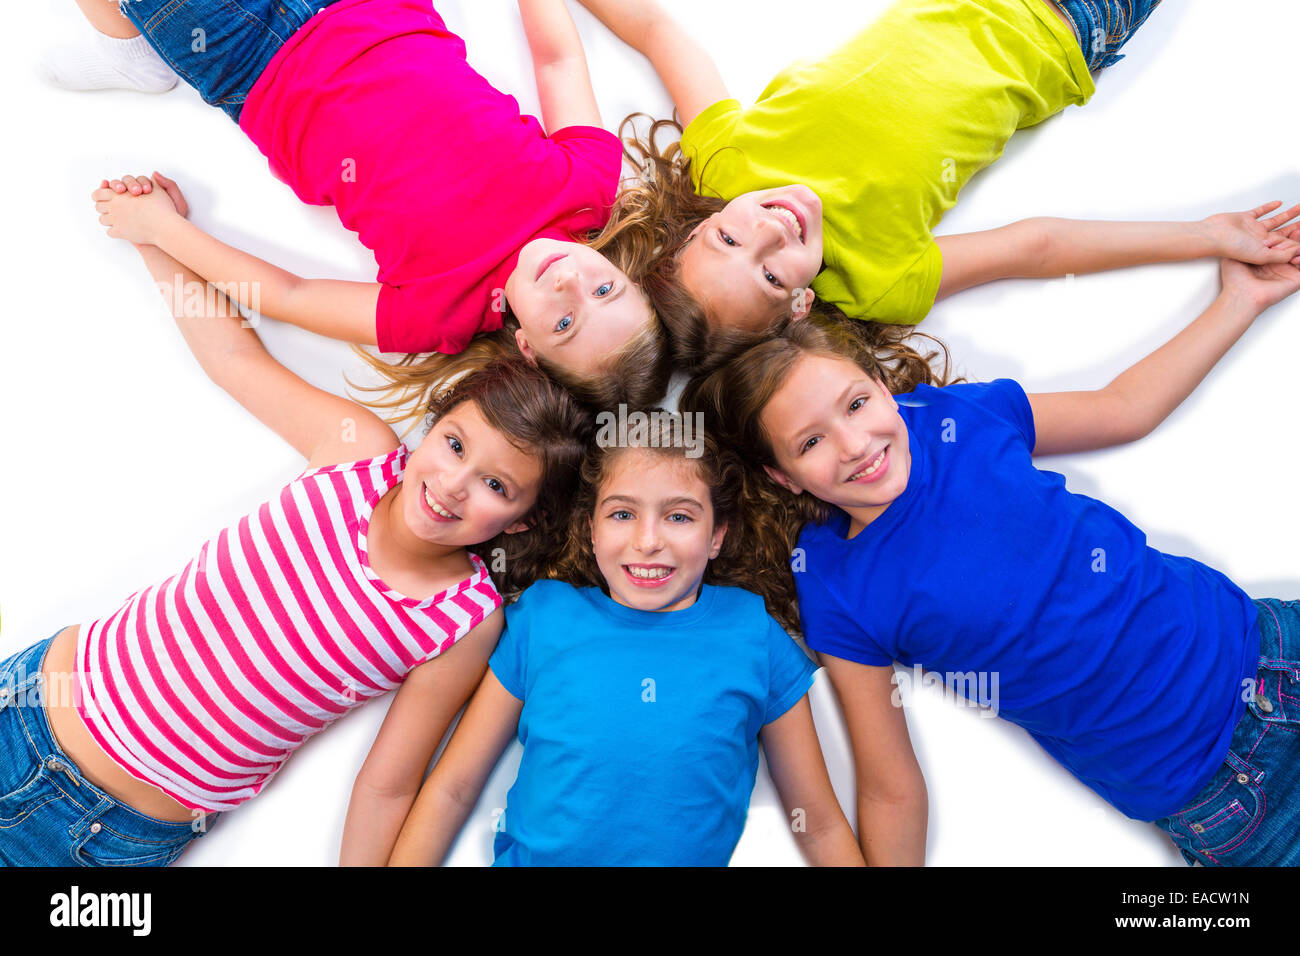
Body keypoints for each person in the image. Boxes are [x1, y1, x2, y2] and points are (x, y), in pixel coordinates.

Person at [0, 175, 593, 867]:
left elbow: (388, 784)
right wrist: (155, 237)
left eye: (495, 485)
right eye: (454, 445)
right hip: (26, 705)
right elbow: (232, 358)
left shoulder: (461, 620)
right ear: (432, 431)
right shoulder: (357, 453)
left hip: (106, 835)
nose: (453, 485)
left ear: (522, 521)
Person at [682, 246, 1300, 865]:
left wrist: (1239, 300)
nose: (854, 444)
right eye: (811, 441)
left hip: (1274, 648)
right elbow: (891, 785)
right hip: (1228, 796)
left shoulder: (956, 416)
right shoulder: (836, 587)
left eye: (856, 403)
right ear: (783, 476)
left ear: (878, 384)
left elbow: (1124, 407)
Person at [573, 0, 1300, 374]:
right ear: (798, 305)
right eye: (768, 271)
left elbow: (662, 33)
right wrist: (1209, 235)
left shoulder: (723, 166)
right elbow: (1039, 246)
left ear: (700, 223)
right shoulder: (877, 283)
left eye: (729, 237)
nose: (772, 226)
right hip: (1064, 24)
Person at [60, 0, 674, 404]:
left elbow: (289, 296)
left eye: (565, 323)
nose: (572, 287)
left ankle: (132, 51)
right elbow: (558, 59)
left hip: (254, 60)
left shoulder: (439, 316)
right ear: (625, 275)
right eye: (605, 291)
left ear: (529, 347)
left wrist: (160, 230)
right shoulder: (588, 188)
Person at [388, 420, 863, 865]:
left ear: (716, 535)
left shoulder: (753, 633)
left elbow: (818, 823)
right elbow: (453, 787)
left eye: (679, 516)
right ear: (592, 530)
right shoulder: (545, 616)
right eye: (622, 514)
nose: (647, 540)